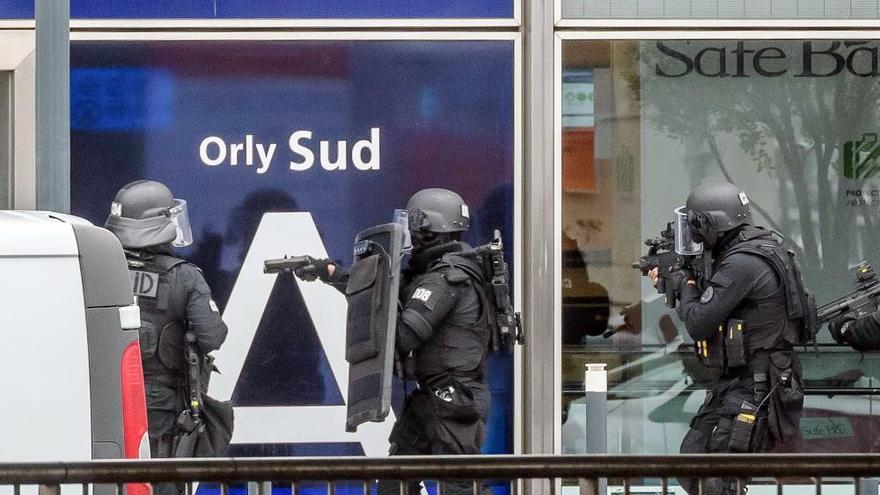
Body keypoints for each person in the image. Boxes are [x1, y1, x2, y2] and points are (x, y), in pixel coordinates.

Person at [296, 188, 492, 495]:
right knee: (395, 481)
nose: (410, 236)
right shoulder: (439, 273)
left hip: (452, 398)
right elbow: (384, 293)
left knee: (460, 488)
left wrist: (369, 314)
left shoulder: (445, 279)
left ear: (427, 229)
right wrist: (330, 272)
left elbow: (402, 334)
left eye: (414, 229)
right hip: (435, 397)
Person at [646, 182, 807, 495]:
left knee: (719, 480)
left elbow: (699, 323)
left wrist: (683, 283)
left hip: (757, 383)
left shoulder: (743, 261)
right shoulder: (749, 250)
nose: (692, 234)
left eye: (696, 224)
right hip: (741, 380)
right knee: (694, 461)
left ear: (710, 223)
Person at [104, 180, 229, 467]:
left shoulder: (100, 270)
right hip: (159, 406)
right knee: (161, 477)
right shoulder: (184, 277)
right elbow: (212, 336)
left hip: (106, 395)